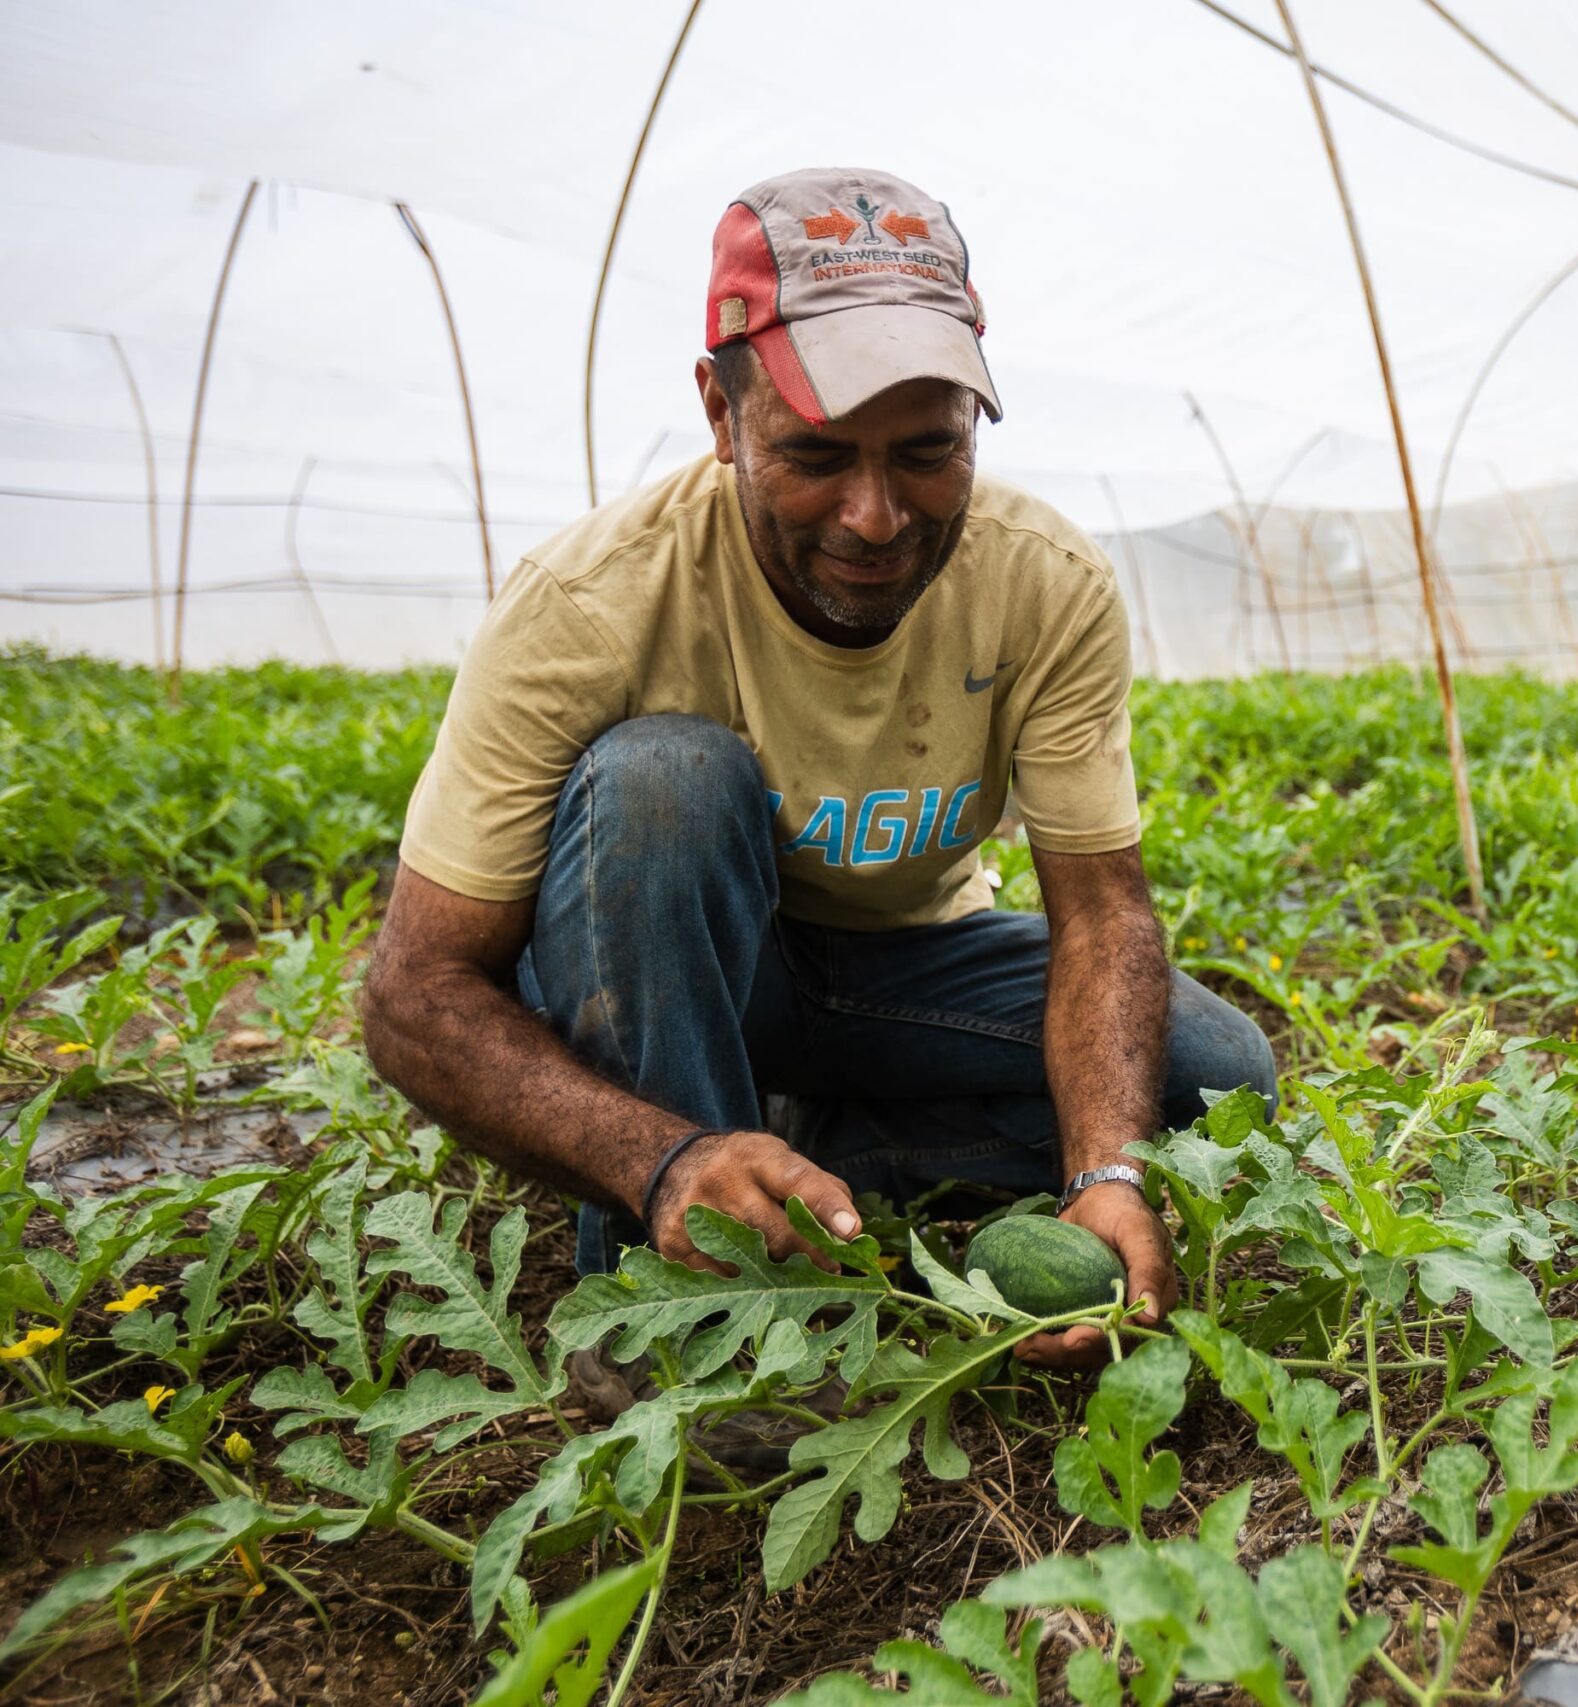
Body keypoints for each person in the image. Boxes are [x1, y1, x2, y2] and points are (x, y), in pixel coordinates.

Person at [361, 168, 1276, 1402]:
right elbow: (414, 992)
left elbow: (1103, 913)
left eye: (926, 452)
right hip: (664, 967)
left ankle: (801, 1154)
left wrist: (1104, 1169)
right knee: (664, 784)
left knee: (1217, 1078)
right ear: (718, 411)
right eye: (813, 454)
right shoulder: (588, 603)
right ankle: (672, 1293)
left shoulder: (1042, 580)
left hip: (894, 972)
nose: (876, 515)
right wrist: (655, 1153)